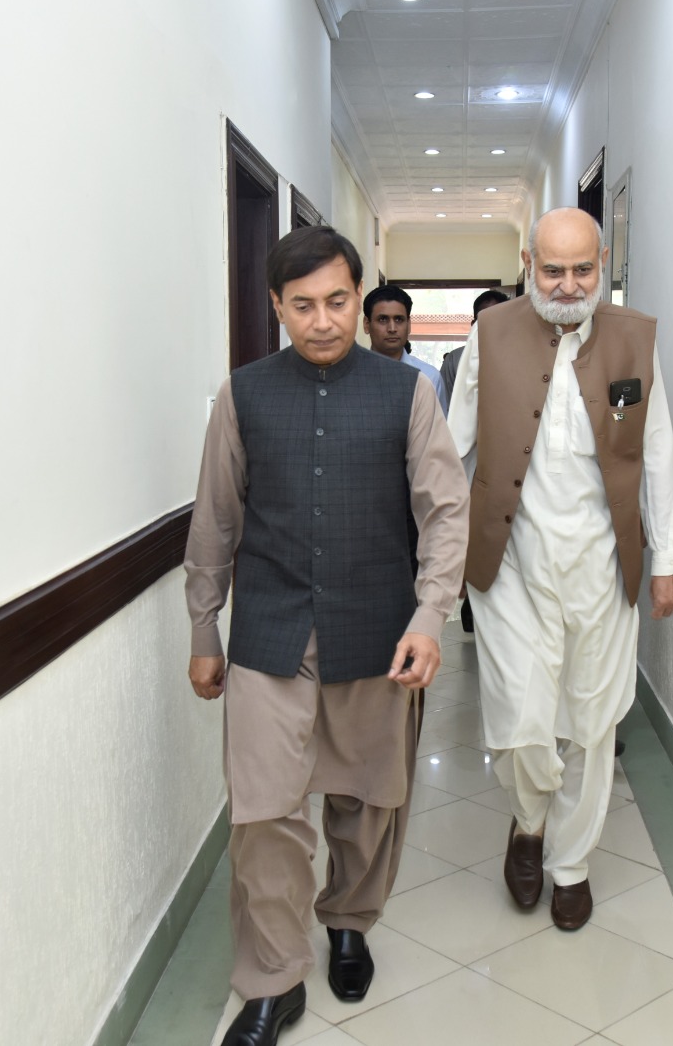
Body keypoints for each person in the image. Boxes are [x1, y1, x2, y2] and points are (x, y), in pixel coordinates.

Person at [185, 226, 469, 1046]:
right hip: (269, 635)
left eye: (338, 301)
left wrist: (429, 617)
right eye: (303, 305)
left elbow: (445, 512)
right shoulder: (243, 395)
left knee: (368, 797)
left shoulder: (407, 394)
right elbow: (215, 519)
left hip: (377, 632)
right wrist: (204, 626)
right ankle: (273, 978)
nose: (322, 321)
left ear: (359, 297)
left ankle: (348, 921)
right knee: (263, 813)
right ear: (276, 306)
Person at [445, 207, 673, 931]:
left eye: (583, 269)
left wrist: (669, 558)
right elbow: (453, 449)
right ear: (528, 264)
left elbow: (658, 453)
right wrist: (436, 558)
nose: (569, 284)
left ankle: (572, 864)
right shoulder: (490, 334)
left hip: (603, 566)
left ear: (602, 261)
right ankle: (529, 821)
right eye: (553, 269)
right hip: (511, 564)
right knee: (522, 721)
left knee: (590, 724)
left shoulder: (635, 339)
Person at [439, 288, 508, 635]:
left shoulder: (525, 353)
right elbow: (455, 414)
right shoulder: (457, 360)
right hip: (473, 456)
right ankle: (472, 596)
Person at [363, 286, 449, 413]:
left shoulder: (429, 377)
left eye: (399, 319)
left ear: (408, 325)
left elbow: (438, 425)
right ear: (366, 324)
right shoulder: (350, 377)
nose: (392, 328)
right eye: (383, 319)